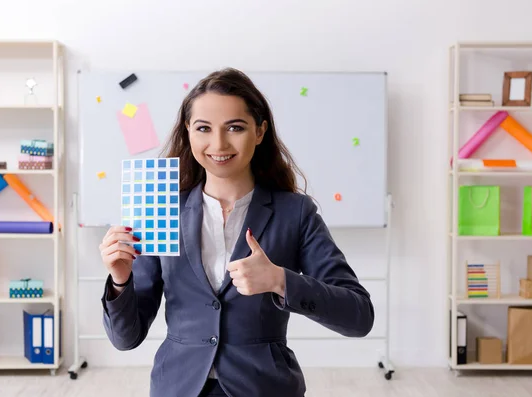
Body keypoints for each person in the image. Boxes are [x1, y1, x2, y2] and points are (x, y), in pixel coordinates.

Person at [99, 68, 375, 397]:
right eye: (203, 128)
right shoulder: (160, 209)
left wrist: (280, 280)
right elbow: (125, 339)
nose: (218, 144)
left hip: (263, 387)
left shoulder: (295, 212)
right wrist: (120, 280)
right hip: (179, 386)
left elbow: (359, 317)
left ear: (259, 132)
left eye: (235, 127)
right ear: (188, 131)